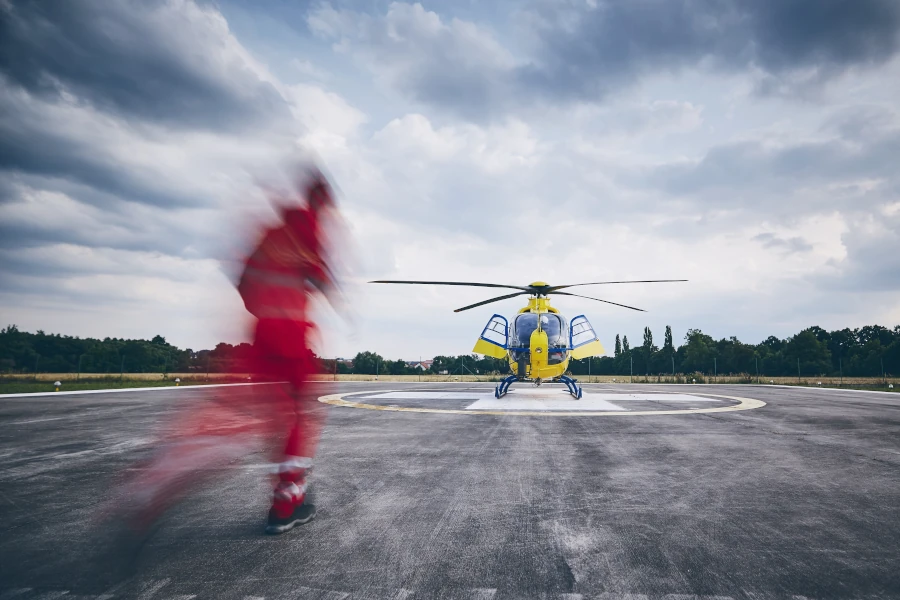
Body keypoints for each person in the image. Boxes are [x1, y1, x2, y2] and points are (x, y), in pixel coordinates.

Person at [106, 167, 345, 537]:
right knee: (300, 415)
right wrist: (317, 294)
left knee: (254, 417)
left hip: (262, 332)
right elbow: (323, 279)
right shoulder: (310, 229)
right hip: (291, 334)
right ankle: (286, 502)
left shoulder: (270, 232)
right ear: (322, 202)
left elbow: (243, 281)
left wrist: (266, 312)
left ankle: (158, 478)